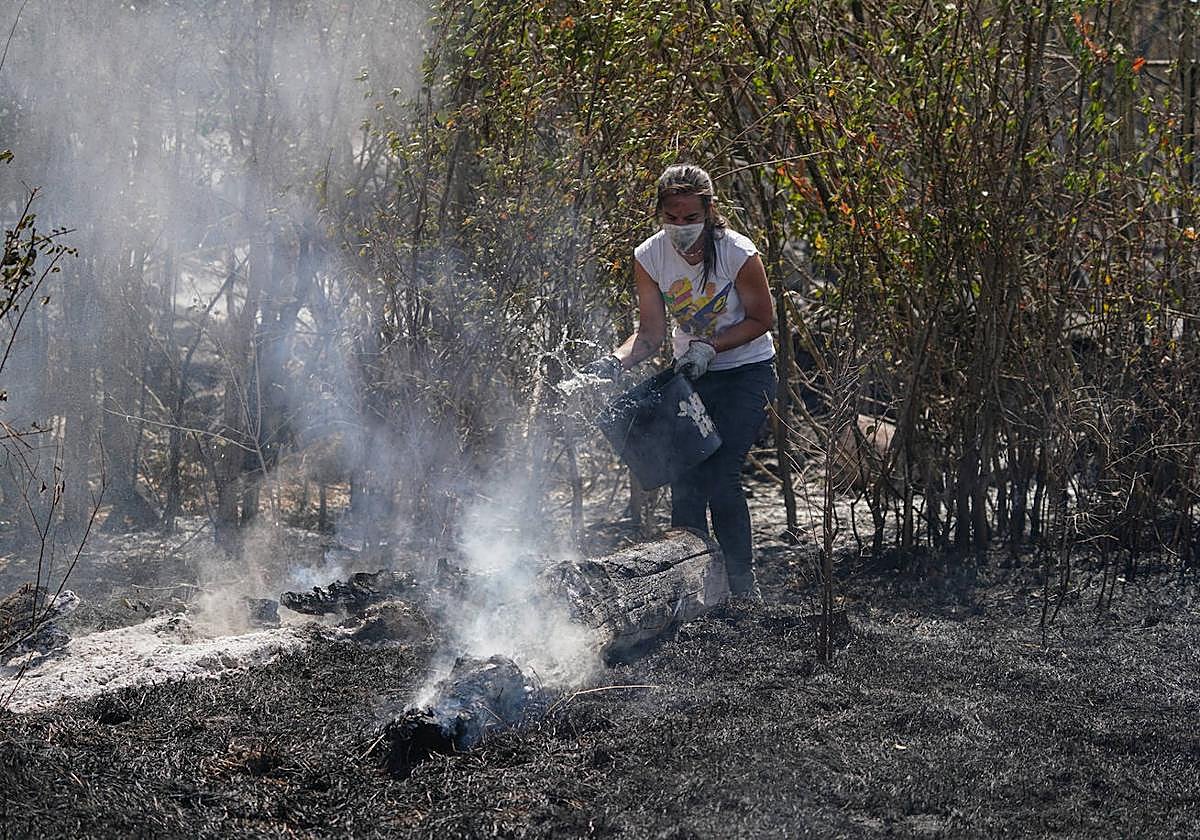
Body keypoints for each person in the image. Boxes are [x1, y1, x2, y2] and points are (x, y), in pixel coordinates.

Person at [579, 163, 777, 598]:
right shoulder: (650, 256)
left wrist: (712, 347)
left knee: (721, 474)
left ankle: (744, 592)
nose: (681, 227)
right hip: (691, 377)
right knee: (685, 476)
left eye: (690, 218)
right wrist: (610, 364)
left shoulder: (737, 254)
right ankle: (689, 589)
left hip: (746, 371)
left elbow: (763, 318)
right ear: (661, 214)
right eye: (672, 217)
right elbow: (649, 335)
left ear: (709, 210)